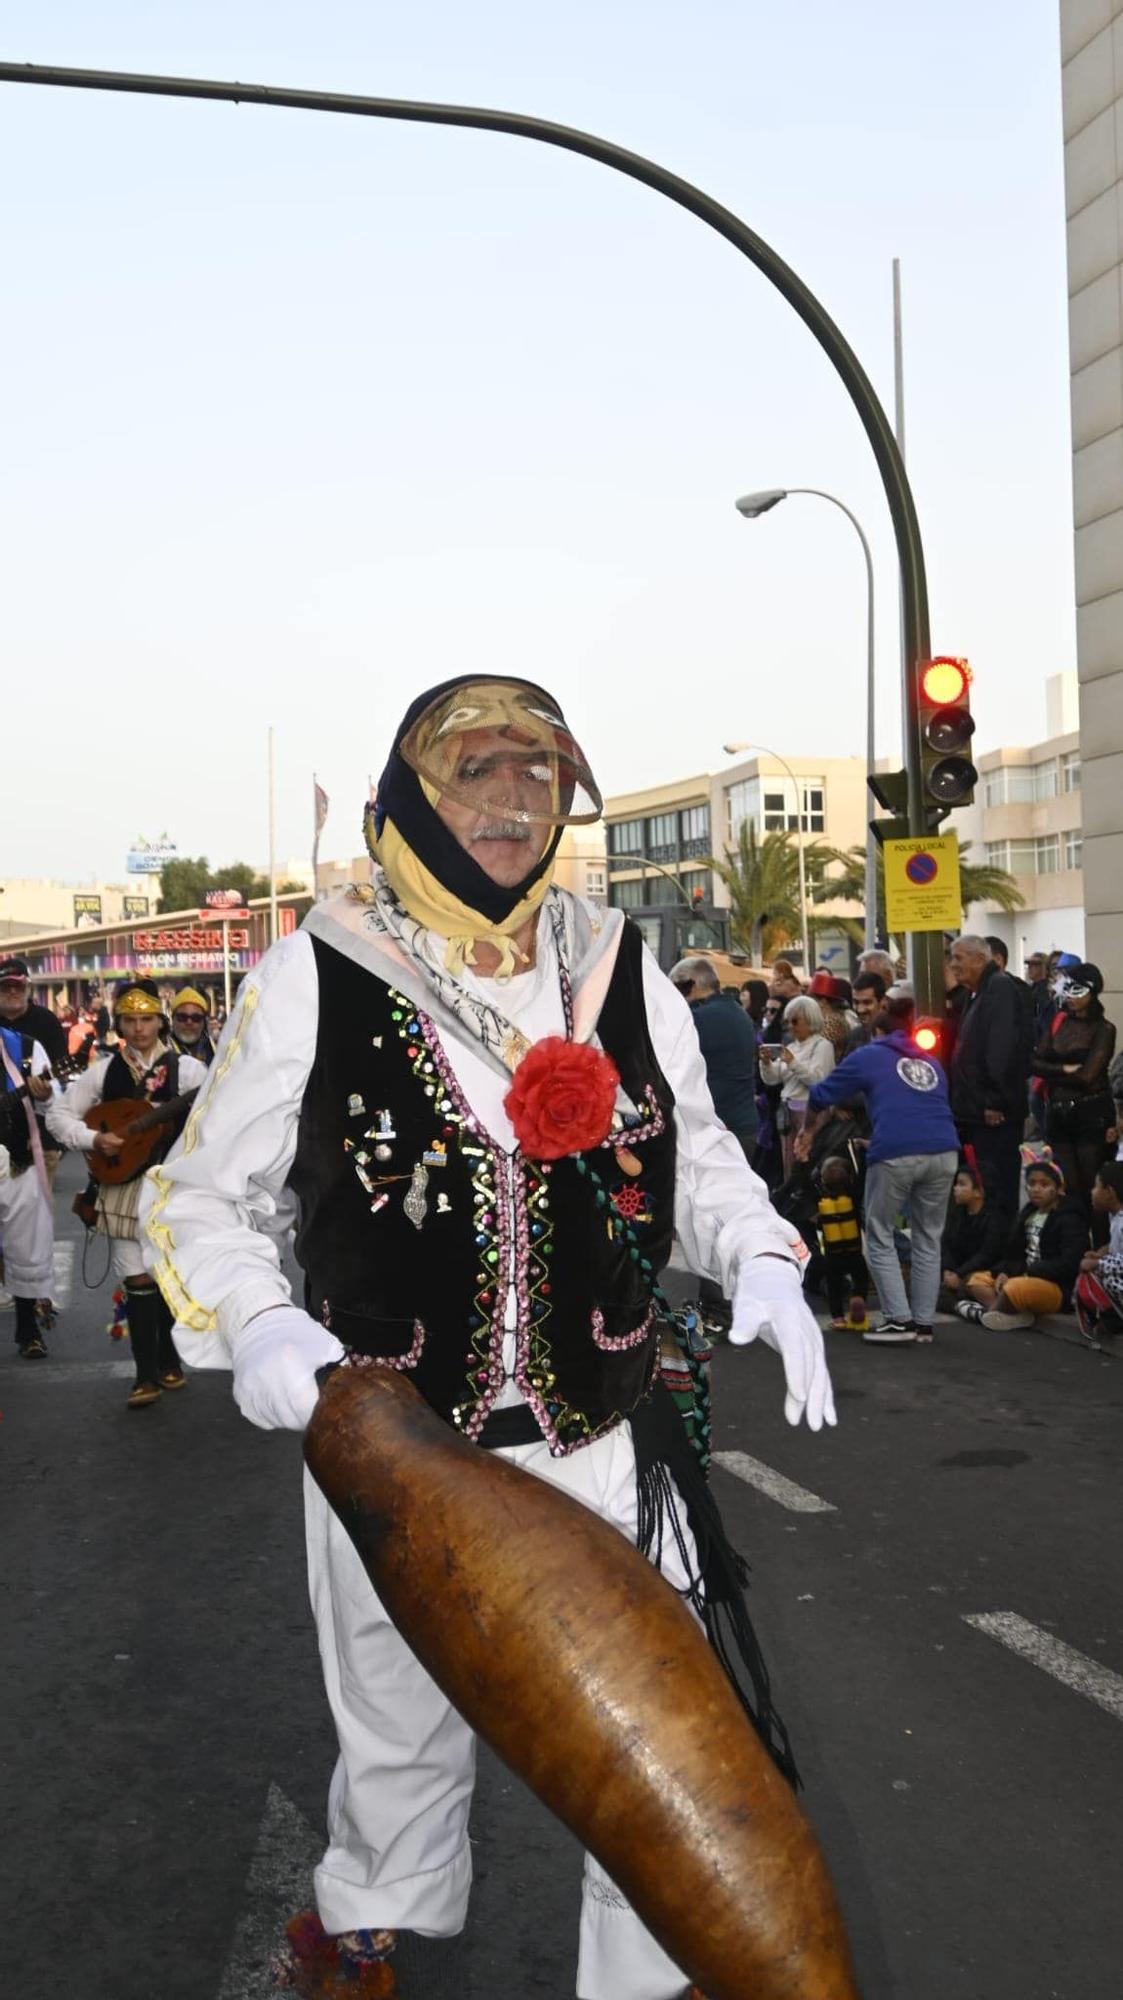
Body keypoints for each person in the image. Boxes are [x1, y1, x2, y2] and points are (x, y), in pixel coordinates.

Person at [136, 674, 835, 1999]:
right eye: (476, 772)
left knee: (648, 1744)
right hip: (398, 1441)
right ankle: (366, 1939)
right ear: (411, 794)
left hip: (601, 1432)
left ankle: (639, 1983)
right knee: (396, 1726)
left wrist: (760, 1257)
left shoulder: (623, 966)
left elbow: (696, 1165)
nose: (511, 802)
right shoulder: (318, 969)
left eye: (536, 775)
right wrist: (264, 1318)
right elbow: (195, 1196)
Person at [47, 980, 206, 1408]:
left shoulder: (189, 1072)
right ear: (119, 1024)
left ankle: (170, 1357)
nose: (139, 1029)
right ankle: (145, 1374)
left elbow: (215, 1123)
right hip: (121, 1185)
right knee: (135, 1275)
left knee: (167, 1274)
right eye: (131, 1021)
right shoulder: (101, 1073)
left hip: (174, 1185)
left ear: (161, 1022)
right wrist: (93, 1140)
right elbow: (58, 1116)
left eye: (147, 1019)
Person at [801, 993, 960, 1345]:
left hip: (896, 1152)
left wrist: (808, 1131)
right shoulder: (929, 1061)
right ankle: (923, 1323)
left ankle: (898, 1319)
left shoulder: (870, 1054)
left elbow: (821, 1094)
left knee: (878, 1232)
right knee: (928, 1237)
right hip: (944, 1148)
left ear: (877, 1034)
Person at [947, 934, 1034, 1221]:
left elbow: (1002, 1047)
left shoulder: (998, 987)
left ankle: (1002, 1251)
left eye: (959, 958)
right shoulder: (976, 991)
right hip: (973, 1110)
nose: (953, 964)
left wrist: (995, 1100)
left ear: (979, 959)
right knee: (983, 1182)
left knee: (997, 1185)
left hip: (994, 1111)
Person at [957, 1159, 1087, 1331]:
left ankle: (989, 1313)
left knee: (1015, 1287)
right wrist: (1005, 1271)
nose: (1036, 1189)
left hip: (1057, 1286)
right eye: (1032, 1183)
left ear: (1059, 1188)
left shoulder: (1070, 1217)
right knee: (977, 1279)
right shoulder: (1028, 1213)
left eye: (1044, 1184)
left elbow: (1070, 1263)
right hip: (1025, 1276)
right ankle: (1010, 1314)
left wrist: (1030, 1273)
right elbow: (1014, 1254)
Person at [1029, 962, 1115, 1211]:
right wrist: (1064, 1069)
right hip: (1057, 1112)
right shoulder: (1060, 1023)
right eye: (1066, 989)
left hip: (1090, 1114)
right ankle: (1074, 1244)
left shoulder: (1104, 1029)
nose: (1070, 996)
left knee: (1094, 1189)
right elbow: (1034, 1063)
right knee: (1067, 1188)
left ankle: (1099, 1244)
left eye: (1077, 990)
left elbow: (1087, 1076)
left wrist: (1051, 1070)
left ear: (1092, 992)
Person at [0, 1017, 56, 1357]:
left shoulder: (24, 1047)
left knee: (26, 1247)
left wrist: (46, 1093)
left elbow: (55, 1102)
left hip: (19, 1162)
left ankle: (28, 1329)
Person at [670, 956, 759, 1159]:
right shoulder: (740, 1014)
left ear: (691, 986)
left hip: (716, 1128)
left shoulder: (697, 1019)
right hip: (744, 1124)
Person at [759, 995, 835, 1176]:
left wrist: (793, 1063)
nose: (791, 1027)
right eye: (788, 1022)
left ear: (810, 1020)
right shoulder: (792, 1046)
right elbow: (772, 1080)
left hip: (810, 1112)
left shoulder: (822, 1046)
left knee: (808, 1162)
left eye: (795, 1021)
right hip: (787, 1110)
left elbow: (818, 1081)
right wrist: (766, 1063)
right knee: (789, 1164)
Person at [938, 1162, 1006, 1313]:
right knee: (921, 1283)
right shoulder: (957, 1213)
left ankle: (966, 1305)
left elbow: (987, 1254)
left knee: (972, 1283)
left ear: (978, 1192)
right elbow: (946, 1244)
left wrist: (960, 1273)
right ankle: (963, 1306)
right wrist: (948, 1269)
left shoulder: (994, 1218)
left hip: (981, 1272)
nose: (955, 1189)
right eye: (956, 1184)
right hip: (957, 1271)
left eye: (962, 1184)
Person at [814, 1155, 869, 1330]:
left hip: (832, 1255)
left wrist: (804, 1163)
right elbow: (861, 1180)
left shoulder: (821, 1199)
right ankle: (858, 1297)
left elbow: (808, 1183)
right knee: (861, 1278)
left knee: (834, 1286)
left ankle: (838, 1318)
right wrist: (862, 1158)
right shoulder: (853, 1198)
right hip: (854, 1251)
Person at [1073, 1162, 1123, 1341]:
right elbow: (1117, 1245)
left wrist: (1098, 1263)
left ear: (1110, 1192)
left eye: (1096, 1186)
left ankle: (1115, 1317)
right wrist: (1102, 1252)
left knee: (1100, 1274)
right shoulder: (1115, 1216)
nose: (1092, 1191)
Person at [169, 986, 218, 1066]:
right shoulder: (161, 1049)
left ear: (204, 1022)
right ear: (172, 1019)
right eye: (182, 1017)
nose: (189, 1022)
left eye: (196, 1018)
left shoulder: (216, 1049)